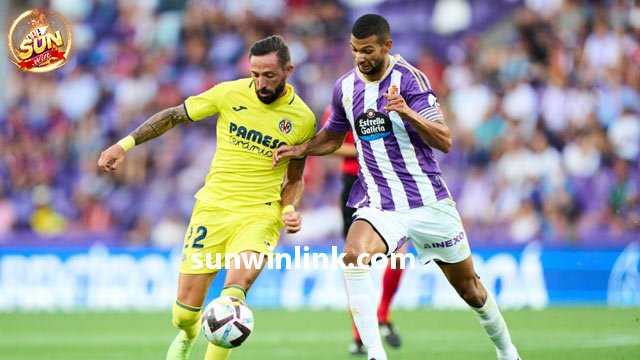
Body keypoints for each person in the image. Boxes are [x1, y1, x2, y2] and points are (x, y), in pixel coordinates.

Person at [273, 14, 521, 360]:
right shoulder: (345, 87)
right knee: (353, 258)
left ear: (387, 46)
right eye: (355, 50)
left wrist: (407, 113)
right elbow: (331, 137)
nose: (361, 57)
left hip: (427, 202)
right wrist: (302, 149)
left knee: (471, 291)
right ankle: (375, 355)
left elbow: (444, 140)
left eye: (368, 50)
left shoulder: (410, 80)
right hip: (379, 203)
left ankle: (508, 351)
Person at [99, 35, 316, 360]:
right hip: (212, 210)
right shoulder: (229, 93)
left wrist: (289, 208)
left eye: (269, 75)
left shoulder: (303, 119)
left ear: (289, 70)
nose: (260, 83)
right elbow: (173, 115)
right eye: (255, 74)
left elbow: (295, 179)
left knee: (231, 302)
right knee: (183, 315)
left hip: (259, 216)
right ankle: (189, 334)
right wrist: (124, 144)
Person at [321, 107, 404, 355]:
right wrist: (364, 150)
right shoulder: (341, 104)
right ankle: (359, 335)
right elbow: (330, 145)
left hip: (388, 182)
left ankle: (383, 313)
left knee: (400, 252)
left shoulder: (389, 104)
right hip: (355, 183)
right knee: (355, 260)